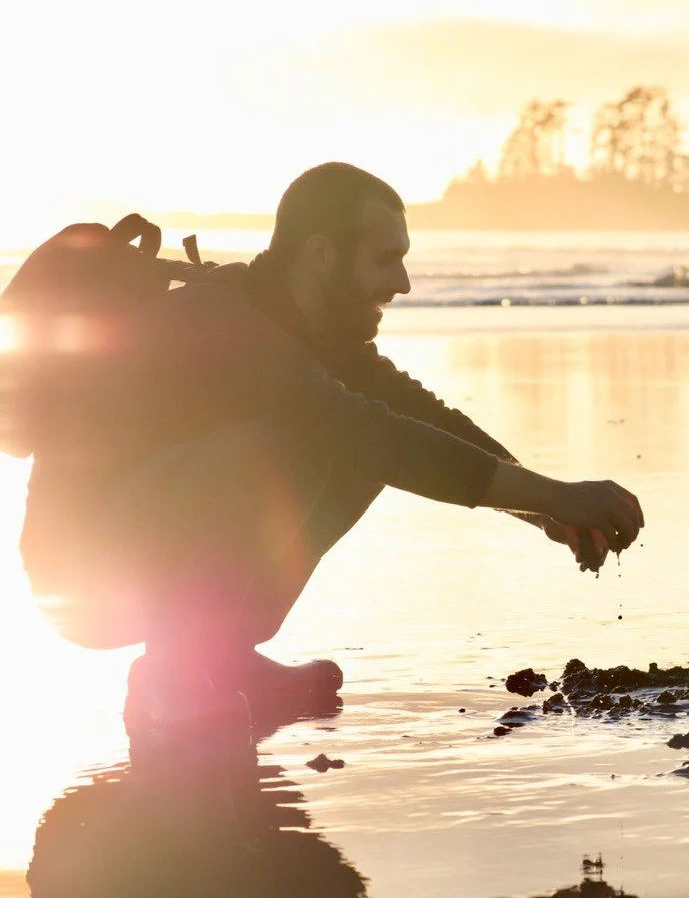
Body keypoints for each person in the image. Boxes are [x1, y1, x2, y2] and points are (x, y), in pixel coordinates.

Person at [17, 163, 643, 734]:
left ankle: (221, 656)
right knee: (304, 442)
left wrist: (547, 511)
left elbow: (424, 420)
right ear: (320, 254)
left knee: (371, 436)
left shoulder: (318, 333)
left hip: (139, 559)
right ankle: (175, 674)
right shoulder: (224, 322)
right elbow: (364, 432)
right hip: (84, 582)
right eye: (384, 259)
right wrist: (558, 498)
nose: (402, 281)